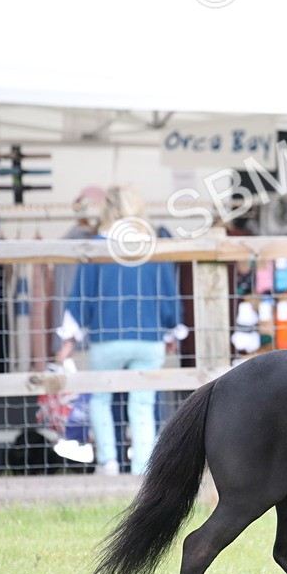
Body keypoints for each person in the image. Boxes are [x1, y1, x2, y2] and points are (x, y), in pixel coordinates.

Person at [56, 185, 185, 476]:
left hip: (108, 338)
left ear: (108, 210)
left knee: (100, 399)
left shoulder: (99, 246)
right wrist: (171, 333)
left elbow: (82, 295)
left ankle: (109, 463)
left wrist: (68, 341)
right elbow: (168, 293)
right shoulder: (152, 246)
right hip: (148, 339)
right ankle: (143, 468)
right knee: (142, 403)